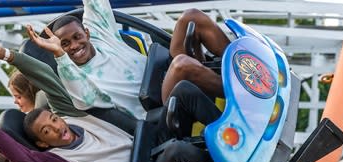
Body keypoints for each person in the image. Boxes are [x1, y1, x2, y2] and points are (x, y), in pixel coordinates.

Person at [0, 38, 220, 162]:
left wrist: (7, 54)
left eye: (54, 120)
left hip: (149, 145)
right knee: (178, 151)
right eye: (48, 131)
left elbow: (48, 81)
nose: (58, 128)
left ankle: (230, 136)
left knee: (183, 92)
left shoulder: (72, 115)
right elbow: (22, 157)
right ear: (42, 143)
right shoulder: (56, 159)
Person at [26, 0, 231, 117]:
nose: (74, 46)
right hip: (158, 107)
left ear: (86, 33)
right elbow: (83, 98)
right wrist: (59, 55)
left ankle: (241, 67)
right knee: (182, 65)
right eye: (65, 44)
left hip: (164, 71)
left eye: (77, 37)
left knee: (191, 16)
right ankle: (243, 93)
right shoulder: (75, 78)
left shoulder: (101, 35)